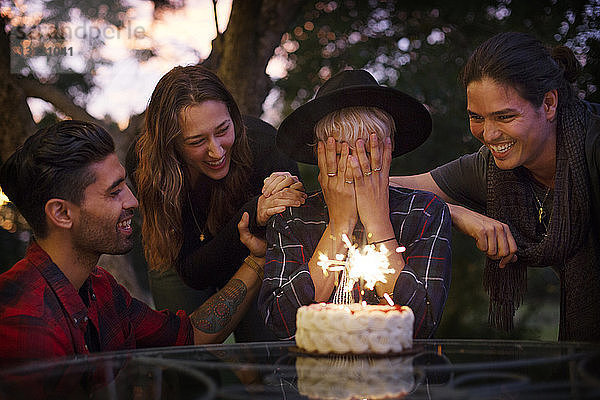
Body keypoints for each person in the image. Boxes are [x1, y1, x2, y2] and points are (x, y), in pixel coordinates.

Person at [389, 32, 600, 341]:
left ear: (549, 103)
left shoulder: (592, 147)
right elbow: (381, 188)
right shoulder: (491, 168)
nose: (488, 134)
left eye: (505, 116)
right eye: (477, 117)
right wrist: (455, 213)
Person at [0, 120, 266, 365]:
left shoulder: (102, 289)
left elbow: (190, 335)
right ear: (62, 213)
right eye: (114, 192)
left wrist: (257, 259)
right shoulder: (22, 324)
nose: (133, 201)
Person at [258, 69, 452, 339]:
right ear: (318, 154)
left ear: (389, 150)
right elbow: (279, 322)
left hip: (398, 376)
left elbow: (420, 324)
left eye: (367, 151)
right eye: (339, 153)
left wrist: (378, 223)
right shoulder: (294, 217)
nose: (353, 165)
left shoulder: (424, 212)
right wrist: (339, 227)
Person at [130, 65, 306, 342]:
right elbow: (192, 272)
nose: (216, 151)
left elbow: (293, 250)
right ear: (170, 143)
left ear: (233, 117)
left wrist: (288, 196)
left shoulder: (265, 146)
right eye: (196, 141)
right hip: (182, 260)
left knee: (266, 355)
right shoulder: (147, 166)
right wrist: (253, 212)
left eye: (223, 130)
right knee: (181, 355)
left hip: (254, 256)